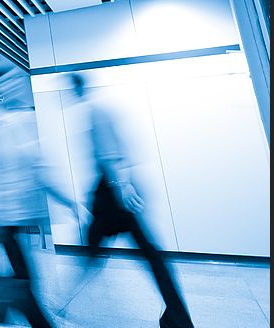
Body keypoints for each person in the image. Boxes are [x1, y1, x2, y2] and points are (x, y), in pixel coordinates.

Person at [69, 73, 193, 328]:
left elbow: (109, 153)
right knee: (150, 252)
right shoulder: (99, 109)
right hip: (116, 187)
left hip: (112, 190)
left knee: (100, 242)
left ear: (76, 88)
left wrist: (121, 186)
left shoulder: (94, 111)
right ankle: (178, 317)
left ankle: (74, 287)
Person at [0, 67, 75, 328]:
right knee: (25, 279)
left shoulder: (27, 119)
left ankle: (27, 312)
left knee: (25, 279)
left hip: (24, 212)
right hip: (2, 216)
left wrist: (66, 200)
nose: (13, 87)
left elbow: (39, 166)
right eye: (6, 83)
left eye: (16, 82)